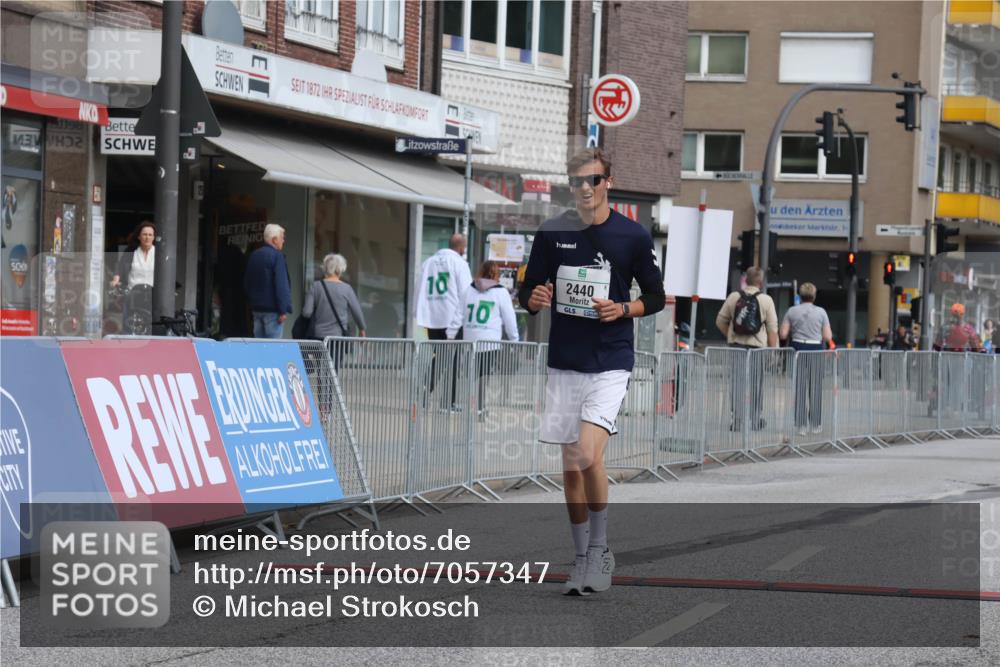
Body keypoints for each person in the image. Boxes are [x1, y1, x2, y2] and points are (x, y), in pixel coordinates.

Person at [518, 148, 665, 596]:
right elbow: (528, 290)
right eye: (576, 181)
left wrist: (623, 307)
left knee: (585, 453)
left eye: (592, 180)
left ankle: (601, 549)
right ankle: (581, 557)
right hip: (565, 360)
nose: (584, 188)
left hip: (610, 360)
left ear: (608, 181)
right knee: (569, 464)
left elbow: (655, 298)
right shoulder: (552, 231)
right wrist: (533, 300)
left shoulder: (633, 236)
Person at [447, 260, 519, 416]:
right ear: (496, 274)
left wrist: (450, 334)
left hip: (470, 340)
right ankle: (479, 407)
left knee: (471, 375)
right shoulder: (501, 292)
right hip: (489, 342)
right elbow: (509, 319)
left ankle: (470, 405)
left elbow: (458, 314)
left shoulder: (469, 290)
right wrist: (514, 340)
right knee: (483, 376)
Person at [716, 266, 779, 431]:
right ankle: (756, 419)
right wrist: (773, 352)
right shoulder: (766, 300)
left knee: (737, 383)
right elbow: (772, 330)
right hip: (757, 349)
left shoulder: (734, 297)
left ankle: (737, 420)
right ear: (760, 282)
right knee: (756, 384)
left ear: (746, 280)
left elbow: (720, 321)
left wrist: (731, 336)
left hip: (736, 347)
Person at [416, 234, 472, 408]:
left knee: (440, 356)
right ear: (462, 249)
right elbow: (466, 293)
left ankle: (425, 391)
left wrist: (418, 314)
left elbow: (418, 288)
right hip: (452, 318)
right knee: (452, 360)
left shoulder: (427, 263)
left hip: (432, 318)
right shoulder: (460, 264)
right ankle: (448, 402)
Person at [779, 282, 833, 435]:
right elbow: (827, 336)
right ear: (814, 296)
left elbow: (783, 334)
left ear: (800, 296)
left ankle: (800, 425)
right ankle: (815, 424)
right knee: (815, 388)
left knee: (800, 388)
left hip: (797, 349)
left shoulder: (791, 311)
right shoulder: (821, 312)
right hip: (815, 350)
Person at [244, 224, 292, 339]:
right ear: (274, 240)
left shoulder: (254, 255)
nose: (283, 240)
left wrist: (252, 302)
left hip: (256, 310)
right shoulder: (277, 256)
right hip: (273, 312)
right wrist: (282, 310)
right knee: (273, 351)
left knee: (259, 350)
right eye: (282, 237)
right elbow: (281, 285)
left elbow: (247, 283)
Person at [110, 221, 155, 334]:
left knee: (151, 326)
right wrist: (116, 279)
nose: (147, 237)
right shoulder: (131, 251)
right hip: (133, 293)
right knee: (129, 326)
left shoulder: (158, 253)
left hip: (152, 295)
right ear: (139, 236)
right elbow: (120, 267)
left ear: (154, 237)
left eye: (150, 235)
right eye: (144, 234)